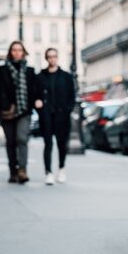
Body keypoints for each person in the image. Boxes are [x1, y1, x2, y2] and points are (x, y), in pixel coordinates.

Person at [0, 41, 43, 184]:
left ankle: (22, 169)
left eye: (19, 50)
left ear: (23, 52)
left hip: (24, 110)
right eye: (14, 50)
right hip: (6, 110)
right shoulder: (2, 70)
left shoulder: (30, 71)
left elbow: (35, 90)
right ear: (10, 52)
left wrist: (37, 100)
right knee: (10, 142)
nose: (16, 52)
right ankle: (12, 171)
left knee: (22, 138)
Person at [37, 48, 75, 185]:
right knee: (48, 144)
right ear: (46, 58)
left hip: (61, 115)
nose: (52, 59)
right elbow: (36, 95)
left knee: (61, 144)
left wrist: (67, 110)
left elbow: (72, 96)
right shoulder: (40, 77)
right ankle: (48, 172)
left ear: (57, 57)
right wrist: (38, 103)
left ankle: (61, 168)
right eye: (49, 57)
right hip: (46, 115)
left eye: (54, 56)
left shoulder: (66, 76)